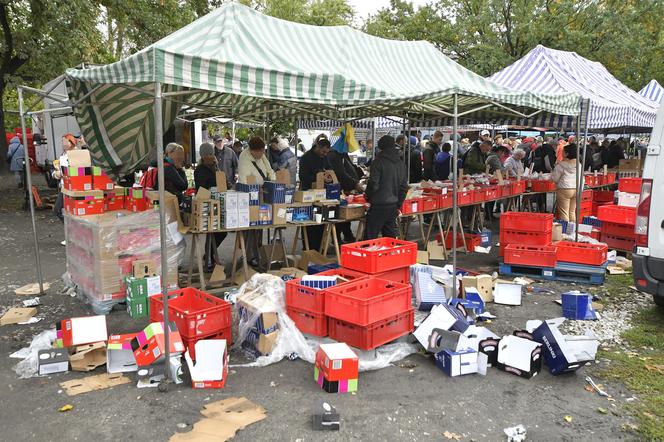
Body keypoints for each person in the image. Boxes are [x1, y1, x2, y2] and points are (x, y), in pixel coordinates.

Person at [364, 136, 408, 240]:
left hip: (378, 204)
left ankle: (370, 256)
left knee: (370, 237)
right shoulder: (401, 164)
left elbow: (373, 184)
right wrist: (398, 204)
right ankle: (390, 256)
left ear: (380, 147)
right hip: (393, 205)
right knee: (390, 238)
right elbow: (404, 187)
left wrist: (368, 196)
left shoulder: (378, 162)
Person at [194, 142, 227, 271]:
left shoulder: (215, 166)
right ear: (203, 156)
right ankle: (208, 258)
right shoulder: (200, 170)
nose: (211, 156)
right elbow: (202, 187)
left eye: (211, 153)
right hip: (206, 203)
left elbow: (220, 180)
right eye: (208, 154)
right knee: (212, 231)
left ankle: (209, 255)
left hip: (218, 201)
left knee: (221, 232)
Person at [328, 140, 364, 244]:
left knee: (344, 213)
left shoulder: (341, 154)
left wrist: (357, 176)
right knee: (339, 214)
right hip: (336, 189)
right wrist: (355, 183)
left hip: (345, 189)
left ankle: (347, 235)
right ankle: (337, 239)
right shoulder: (334, 156)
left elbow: (350, 167)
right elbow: (341, 173)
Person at [52, 134, 78, 240]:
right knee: (60, 210)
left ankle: (73, 235)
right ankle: (72, 234)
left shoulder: (76, 154)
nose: (62, 143)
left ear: (71, 142)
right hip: (65, 187)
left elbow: (75, 171)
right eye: (62, 141)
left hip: (73, 188)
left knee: (61, 210)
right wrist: (56, 173)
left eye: (64, 141)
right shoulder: (63, 154)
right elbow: (58, 171)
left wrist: (60, 173)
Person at [552, 144, 581, 222]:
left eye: (563, 151)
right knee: (572, 212)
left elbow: (555, 178)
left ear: (567, 153)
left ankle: (565, 232)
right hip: (577, 188)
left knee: (564, 212)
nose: (562, 153)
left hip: (564, 189)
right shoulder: (579, 164)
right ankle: (573, 231)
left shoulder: (561, 165)